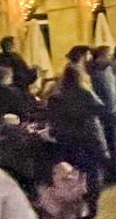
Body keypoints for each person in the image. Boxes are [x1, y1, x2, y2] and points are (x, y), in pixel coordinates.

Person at [47, 64, 111, 210]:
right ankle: (92, 203)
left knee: (74, 173)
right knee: (92, 171)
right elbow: (100, 110)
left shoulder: (55, 98)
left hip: (67, 141)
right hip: (86, 139)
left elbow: (52, 120)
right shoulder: (85, 93)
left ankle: (77, 204)